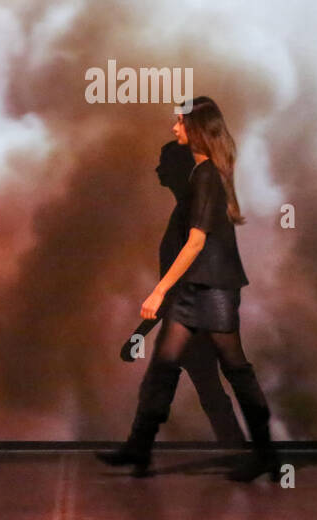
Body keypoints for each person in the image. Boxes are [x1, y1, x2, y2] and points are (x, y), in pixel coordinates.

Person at [98, 96, 281, 482]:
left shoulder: (206, 176)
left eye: (179, 122)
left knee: (236, 369)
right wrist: (148, 320)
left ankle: (266, 455)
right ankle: (139, 449)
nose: (174, 128)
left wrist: (158, 292)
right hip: (193, 292)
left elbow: (196, 243)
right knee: (163, 368)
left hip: (213, 290)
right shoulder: (202, 175)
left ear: (196, 128)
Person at [105, 139, 246, 449]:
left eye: (164, 162)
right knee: (203, 386)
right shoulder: (188, 210)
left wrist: (139, 333)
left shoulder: (191, 214)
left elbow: (186, 279)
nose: (158, 169)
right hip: (192, 313)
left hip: (193, 315)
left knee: (173, 381)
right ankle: (238, 449)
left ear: (179, 167)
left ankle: (139, 450)